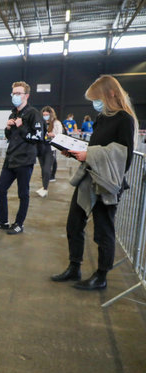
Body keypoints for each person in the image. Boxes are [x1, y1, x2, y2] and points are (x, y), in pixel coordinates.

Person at [51, 75, 137, 290]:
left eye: (96, 98)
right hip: (88, 178)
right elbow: (94, 146)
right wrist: (72, 149)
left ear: (110, 94)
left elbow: (123, 156)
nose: (94, 103)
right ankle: (74, 267)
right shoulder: (102, 118)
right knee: (74, 224)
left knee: (103, 231)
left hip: (107, 183)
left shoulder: (124, 120)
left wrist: (89, 154)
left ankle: (101, 275)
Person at [0, 81, 43, 234]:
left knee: (23, 193)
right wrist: (8, 128)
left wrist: (21, 126)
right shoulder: (13, 113)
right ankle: (3, 221)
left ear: (26, 96)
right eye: (14, 93)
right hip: (11, 158)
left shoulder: (33, 114)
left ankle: (19, 223)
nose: (15, 96)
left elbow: (38, 137)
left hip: (25, 160)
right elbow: (10, 136)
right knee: (0, 189)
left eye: (19, 93)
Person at [36, 106, 64, 196]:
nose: (45, 116)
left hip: (50, 148)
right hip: (40, 147)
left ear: (51, 114)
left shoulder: (56, 123)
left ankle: (45, 188)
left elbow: (60, 134)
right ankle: (44, 186)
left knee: (47, 168)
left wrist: (53, 134)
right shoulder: (40, 122)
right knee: (43, 168)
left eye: (47, 114)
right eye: (43, 114)